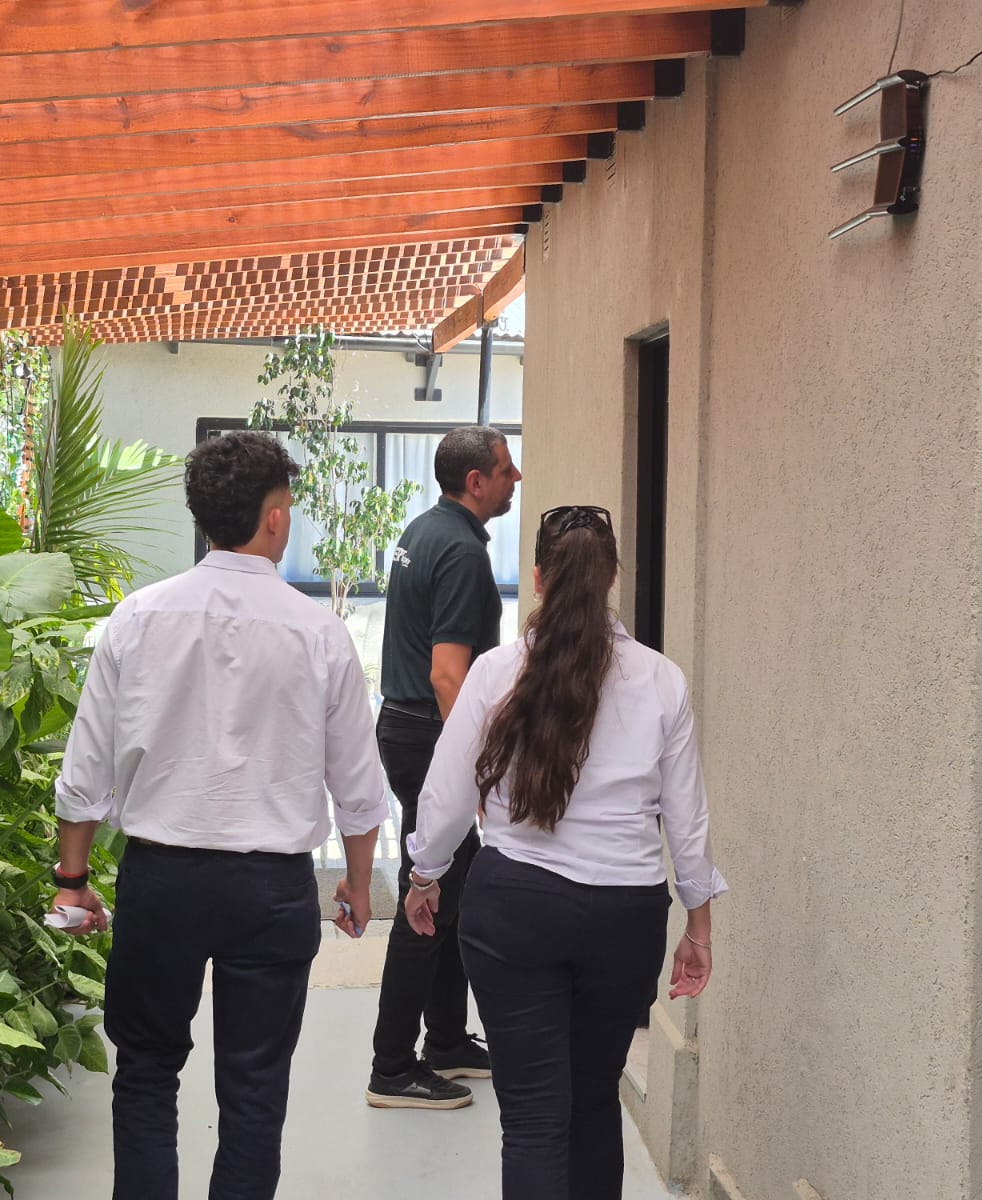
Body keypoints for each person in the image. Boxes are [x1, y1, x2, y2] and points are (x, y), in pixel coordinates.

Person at [49, 430, 386, 1200]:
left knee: (145, 1072)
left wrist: (72, 880)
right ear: (274, 517)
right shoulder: (320, 632)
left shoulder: (138, 617)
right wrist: (358, 883)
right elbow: (358, 786)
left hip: (161, 880)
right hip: (272, 890)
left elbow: (86, 768)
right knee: (255, 1089)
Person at [404, 504, 728, 1198]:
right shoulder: (661, 679)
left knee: (531, 1117)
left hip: (515, 909)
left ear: (538, 579)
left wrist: (426, 874)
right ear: (611, 577)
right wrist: (698, 926)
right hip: (625, 916)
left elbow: (448, 793)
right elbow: (687, 819)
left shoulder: (497, 672)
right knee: (593, 1099)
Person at [366, 424, 522, 1110]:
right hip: (431, 734)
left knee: (452, 889)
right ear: (476, 481)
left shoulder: (424, 530)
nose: (516, 479)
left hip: (408, 728)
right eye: (507, 469)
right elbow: (447, 674)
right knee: (427, 893)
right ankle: (392, 1066)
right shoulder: (460, 551)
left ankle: (449, 1040)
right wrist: (479, 767)